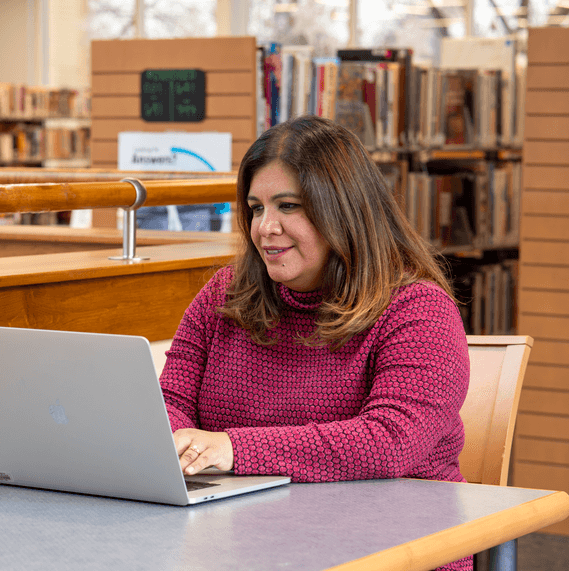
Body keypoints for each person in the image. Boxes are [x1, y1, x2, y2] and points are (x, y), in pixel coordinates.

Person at [159, 116, 471, 570]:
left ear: (343, 210)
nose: (266, 227)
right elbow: (170, 399)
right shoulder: (225, 293)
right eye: (256, 207)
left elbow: (389, 441)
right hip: (248, 540)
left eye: (288, 206)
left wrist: (233, 448)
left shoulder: (418, 311)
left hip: (395, 545)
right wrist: (176, 444)